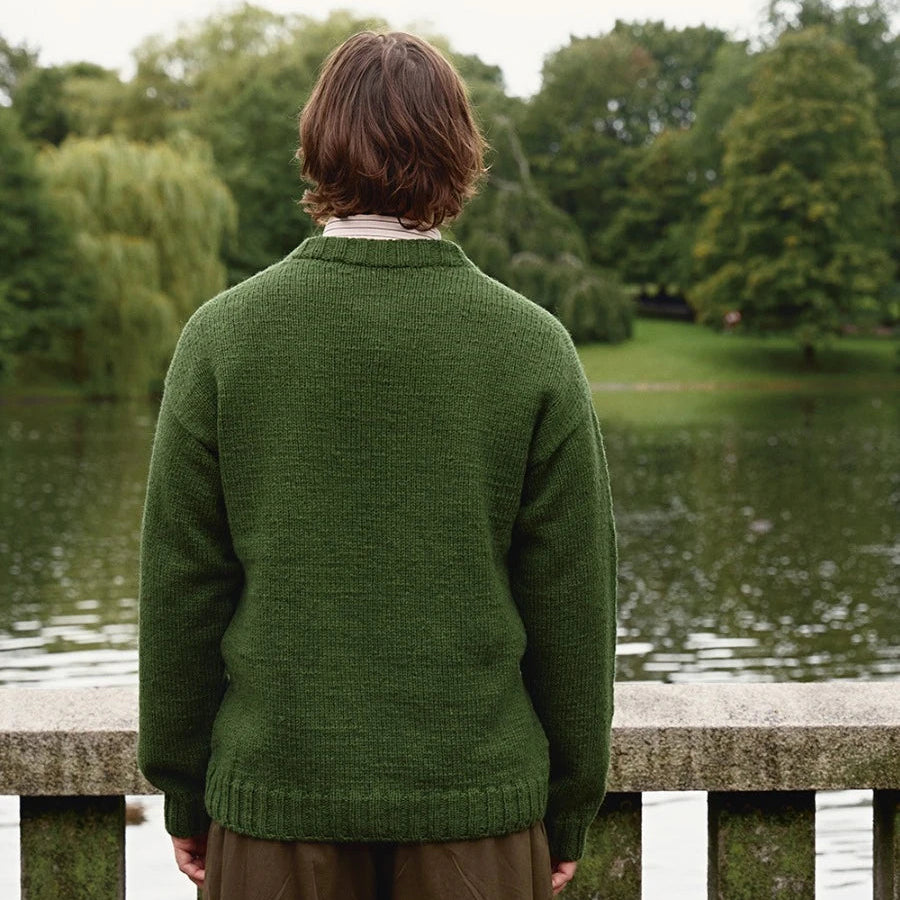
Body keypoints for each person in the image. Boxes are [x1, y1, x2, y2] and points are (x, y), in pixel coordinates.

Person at [137, 30, 618, 900]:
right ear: (459, 153)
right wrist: (569, 803)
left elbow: (183, 586)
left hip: (273, 813)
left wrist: (182, 790)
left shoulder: (222, 338)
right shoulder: (533, 346)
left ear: (320, 143)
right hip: (479, 818)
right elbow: (573, 603)